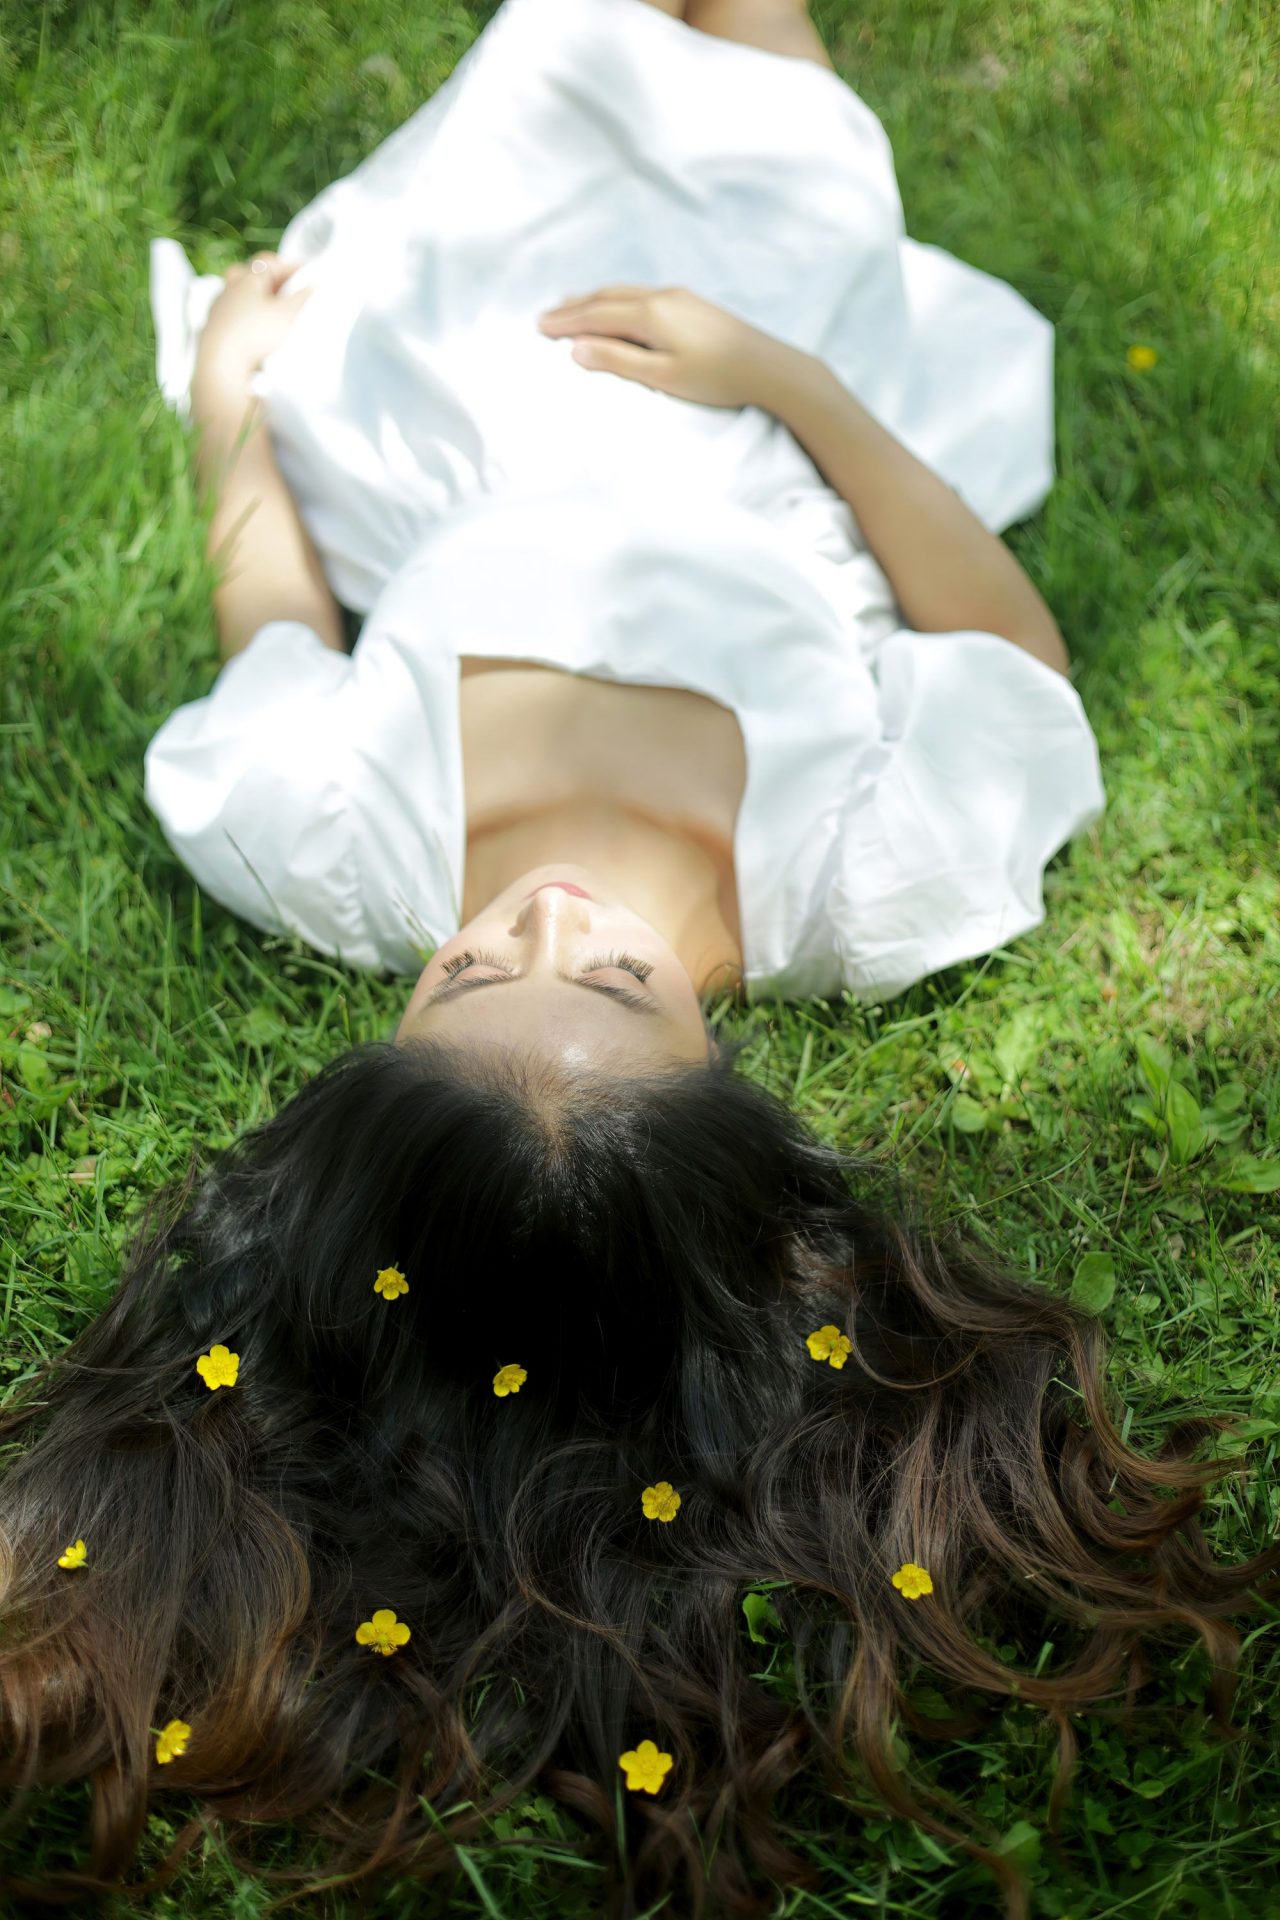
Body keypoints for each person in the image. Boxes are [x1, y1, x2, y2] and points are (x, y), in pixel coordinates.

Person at [2, 3, 1274, 1918]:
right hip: (754, 373)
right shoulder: (862, 881)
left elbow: (273, 612)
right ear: (738, 1115)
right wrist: (795, 387)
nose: (544, 921)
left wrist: (230, 422)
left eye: (462, 973)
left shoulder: (334, 846)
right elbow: (1010, 657)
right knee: (762, 63)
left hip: (458, 361)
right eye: (607, 987)